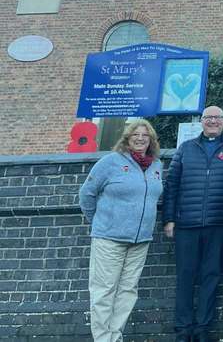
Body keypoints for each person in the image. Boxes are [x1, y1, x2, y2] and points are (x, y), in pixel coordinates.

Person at [162, 105, 223, 342]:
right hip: (186, 224)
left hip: (218, 224)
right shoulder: (186, 148)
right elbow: (172, 186)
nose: (213, 121)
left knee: (211, 276)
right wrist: (169, 218)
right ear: (202, 122)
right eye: (208, 117)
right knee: (185, 277)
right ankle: (182, 329)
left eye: (218, 118)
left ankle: (202, 329)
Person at [79, 119, 163, 342]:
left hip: (140, 240)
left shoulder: (156, 166)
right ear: (127, 138)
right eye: (135, 134)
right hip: (109, 238)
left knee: (127, 292)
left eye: (145, 135)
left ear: (151, 140)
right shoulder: (111, 162)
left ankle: (115, 337)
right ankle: (103, 339)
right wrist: (98, 221)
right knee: (104, 291)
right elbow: (87, 193)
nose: (140, 138)